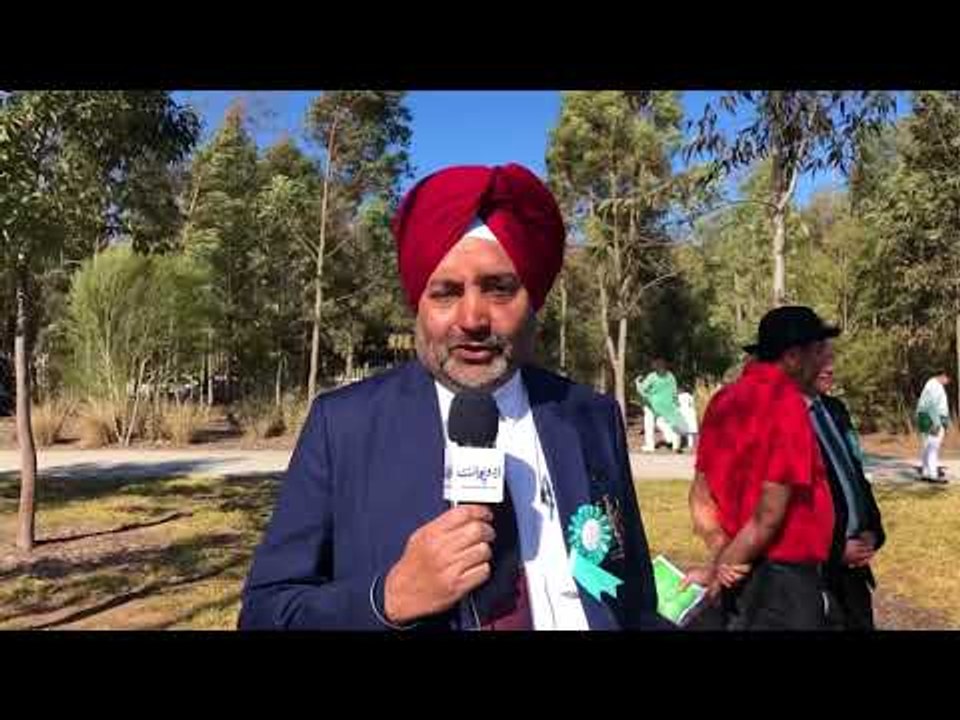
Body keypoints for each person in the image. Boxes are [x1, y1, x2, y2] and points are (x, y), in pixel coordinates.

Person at [238, 163, 662, 630]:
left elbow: (633, 592)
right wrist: (388, 598)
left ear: (534, 301)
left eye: (499, 289)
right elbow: (265, 612)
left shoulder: (589, 414)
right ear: (417, 304)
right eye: (445, 292)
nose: (473, 318)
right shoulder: (343, 427)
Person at [685, 306, 836, 630]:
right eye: (817, 351)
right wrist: (728, 560)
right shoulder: (787, 404)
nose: (823, 360)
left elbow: (700, 494)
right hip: (782, 584)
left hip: (743, 569)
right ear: (794, 356)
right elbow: (770, 513)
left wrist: (721, 550)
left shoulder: (723, 399)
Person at [811, 355, 886, 630]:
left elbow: (855, 475)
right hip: (815, 575)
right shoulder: (784, 417)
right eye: (821, 360)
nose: (830, 368)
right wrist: (833, 551)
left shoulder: (835, 409)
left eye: (832, 360)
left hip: (854, 571)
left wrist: (872, 530)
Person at [636, 358, 686, 453]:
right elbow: (674, 392)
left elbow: (642, 389)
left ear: (655, 367)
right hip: (667, 404)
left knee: (649, 424)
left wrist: (638, 383)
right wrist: (675, 402)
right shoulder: (671, 376)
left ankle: (650, 446)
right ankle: (673, 442)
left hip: (652, 404)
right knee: (666, 423)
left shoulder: (652, 376)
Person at [916, 372, 951, 483]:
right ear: (943, 375)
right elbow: (932, 405)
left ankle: (926, 472)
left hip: (925, 417)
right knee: (933, 446)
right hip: (933, 418)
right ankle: (933, 474)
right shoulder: (935, 386)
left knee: (927, 446)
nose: (948, 382)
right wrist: (936, 422)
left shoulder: (930, 384)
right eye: (948, 379)